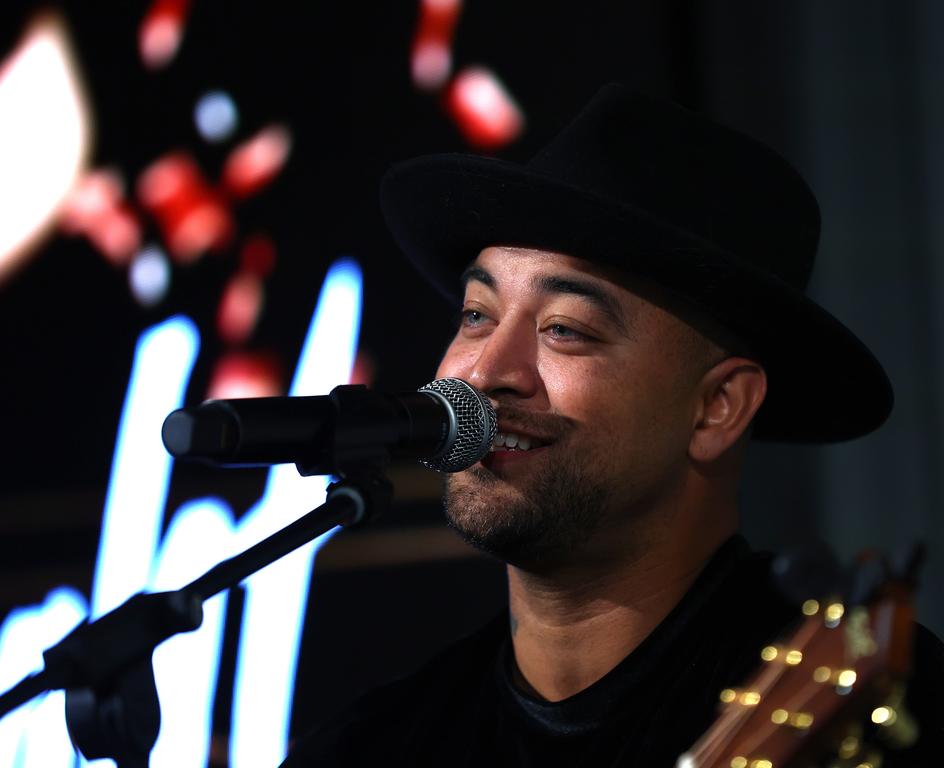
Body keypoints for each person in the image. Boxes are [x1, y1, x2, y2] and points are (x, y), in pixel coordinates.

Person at [282, 84, 944, 767]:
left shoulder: (893, 704)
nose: (484, 372)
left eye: (564, 329)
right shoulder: (368, 747)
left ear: (718, 408)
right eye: (477, 314)